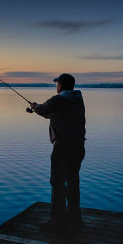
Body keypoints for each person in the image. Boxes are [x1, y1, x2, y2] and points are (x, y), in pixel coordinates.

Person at [30, 73, 86, 232]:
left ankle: (57, 222)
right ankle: (74, 216)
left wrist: (34, 107)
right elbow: (52, 113)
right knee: (73, 181)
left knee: (57, 182)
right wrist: (38, 110)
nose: (56, 87)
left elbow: (43, 109)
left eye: (57, 84)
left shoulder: (58, 100)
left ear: (61, 85)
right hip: (78, 146)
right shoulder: (77, 99)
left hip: (63, 147)